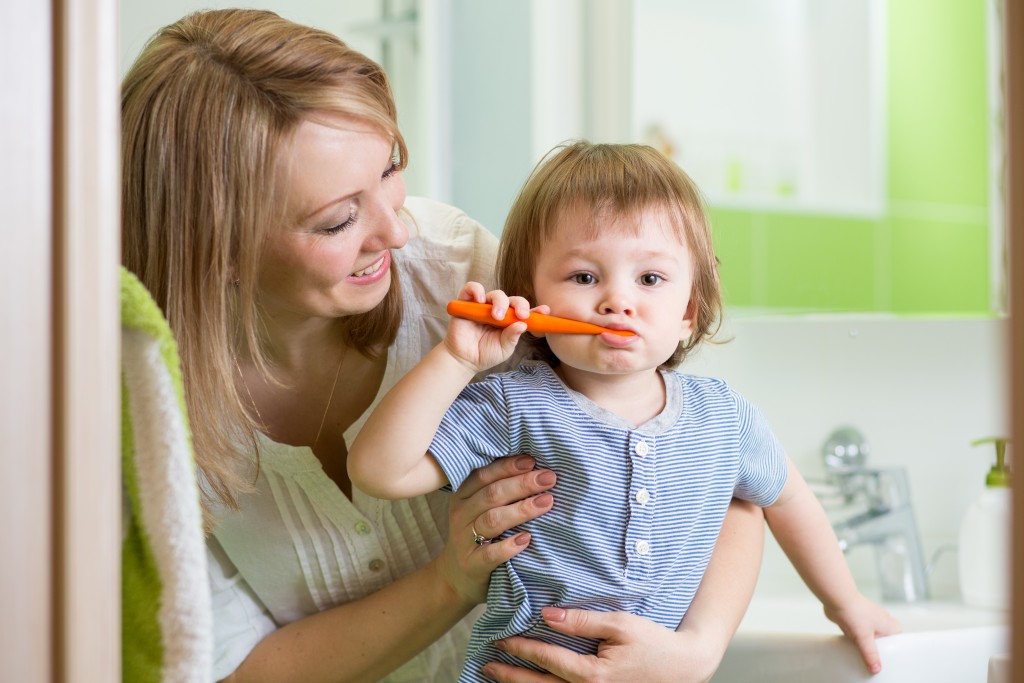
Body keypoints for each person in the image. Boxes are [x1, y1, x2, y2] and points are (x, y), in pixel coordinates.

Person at [121, 10, 769, 683]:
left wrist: (696, 649)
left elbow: (717, 463)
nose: (395, 233)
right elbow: (227, 668)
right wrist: (453, 579)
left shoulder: (465, 274)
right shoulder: (143, 405)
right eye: (338, 219)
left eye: (390, 170)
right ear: (215, 250)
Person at [348, 141, 902, 681]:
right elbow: (379, 471)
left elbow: (789, 500)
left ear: (689, 310)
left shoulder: (725, 420)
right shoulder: (509, 405)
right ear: (529, 297)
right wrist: (456, 357)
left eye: (650, 279)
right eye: (585, 277)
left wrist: (844, 601)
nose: (618, 300)